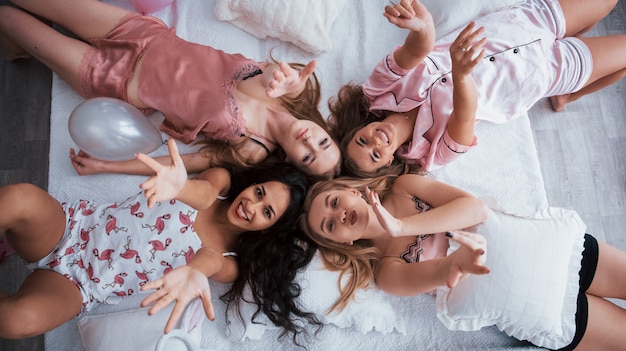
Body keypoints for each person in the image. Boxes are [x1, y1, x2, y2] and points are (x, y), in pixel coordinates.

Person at [0, 138, 318, 342]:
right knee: (18, 198)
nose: (252, 205)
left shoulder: (229, 259)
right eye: (259, 192)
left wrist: (195, 273)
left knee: (16, 321)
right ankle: (14, 241)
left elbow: (208, 262)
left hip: (82, 283)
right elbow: (201, 193)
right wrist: (180, 187)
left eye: (267, 212)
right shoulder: (219, 184)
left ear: (267, 229)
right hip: (72, 226)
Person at [0, 0, 341, 180]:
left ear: (293, 162)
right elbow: (264, 79)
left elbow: (183, 164)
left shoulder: (253, 149)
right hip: (143, 34)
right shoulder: (297, 91)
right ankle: (18, 48)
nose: (309, 141)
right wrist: (278, 82)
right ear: (324, 129)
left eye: (309, 156)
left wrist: (108, 167)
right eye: (322, 141)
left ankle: (17, 45)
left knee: (8, 18)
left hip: (116, 81)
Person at [299, 174, 626, 350]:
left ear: (350, 191)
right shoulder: (388, 272)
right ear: (344, 241)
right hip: (531, 302)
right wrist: (460, 263)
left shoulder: (404, 187)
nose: (337, 214)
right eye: (330, 224)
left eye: (333, 201)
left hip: (549, 249)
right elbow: (442, 271)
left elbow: (475, 209)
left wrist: (402, 226)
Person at [329, 0, 626, 177]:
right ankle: (567, 93)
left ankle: (568, 92)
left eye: (362, 142)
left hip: (522, 24)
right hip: (544, 72)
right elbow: (464, 115)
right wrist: (460, 75)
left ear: (358, 130)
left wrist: (421, 26)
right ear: (389, 161)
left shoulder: (378, 90)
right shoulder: (431, 155)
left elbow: (417, 49)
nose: (375, 142)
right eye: (376, 155)